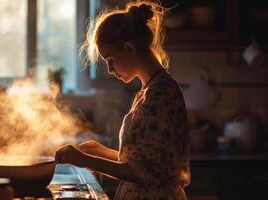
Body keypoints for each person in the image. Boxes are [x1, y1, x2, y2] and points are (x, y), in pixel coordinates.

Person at [55, 1, 190, 199]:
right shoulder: (150, 91)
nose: (110, 69)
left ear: (129, 48)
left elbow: (148, 175)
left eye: (110, 60)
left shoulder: (160, 94)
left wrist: (86, 160)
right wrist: (101, 152)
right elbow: (143, 162)